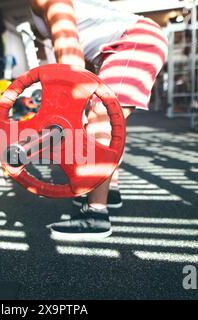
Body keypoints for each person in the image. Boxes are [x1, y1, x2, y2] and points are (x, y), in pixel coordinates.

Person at [29, 0, 168, 239]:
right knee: (108, 120)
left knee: (101, 118)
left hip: (134, 41)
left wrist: (68, 107)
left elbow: (70, 52)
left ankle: (96, 215)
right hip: (118, 47)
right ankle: (109, 191)